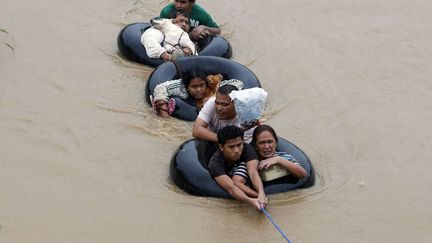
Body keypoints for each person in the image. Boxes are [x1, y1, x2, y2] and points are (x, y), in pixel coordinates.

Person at [208, 125, 267, 210]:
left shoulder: (247, 149)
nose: (236, 150)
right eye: (231, 147)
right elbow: (231, 188)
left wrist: (261, 193)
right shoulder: (215, 163)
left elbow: (253, 173)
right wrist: (251, 201)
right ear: (221, 147)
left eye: (239, 145)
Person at [192, 79, 257, 143]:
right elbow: (196, 130)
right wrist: (223, 140)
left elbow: (239, 146)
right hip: (215, 142)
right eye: (217, 103)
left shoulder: (246, 118)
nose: (219, 108)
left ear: (236, 104)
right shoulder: (211, 103)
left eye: (224, 105)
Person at [151, 71, 221, 117]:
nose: (199, 90)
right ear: (187, 87)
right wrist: (163, 107)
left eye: (202, 85)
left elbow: (222, 81)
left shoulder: (212, 83)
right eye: (194, 87)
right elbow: (160, 88)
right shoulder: (180, 87)